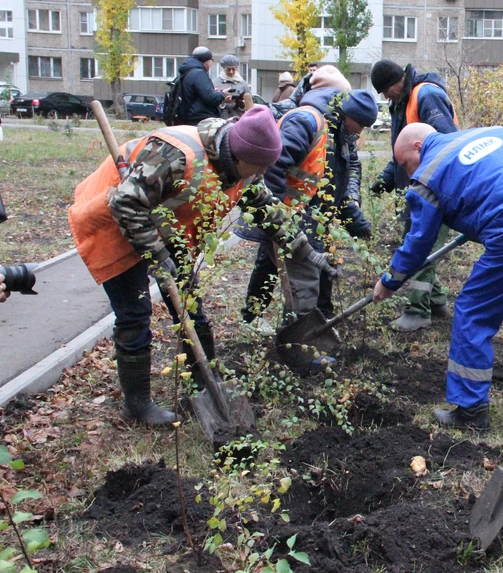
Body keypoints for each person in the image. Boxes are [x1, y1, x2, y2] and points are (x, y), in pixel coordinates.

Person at [69, 107, 332, 427]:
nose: (263, 173)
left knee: (191, 308)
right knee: (135, 315)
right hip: (115, 221)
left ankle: (204, 384)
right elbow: (125, 202)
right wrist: (155, 253)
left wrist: (305, 252)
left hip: (165, 229)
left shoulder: (245, 168)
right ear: (240, 156)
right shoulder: (176, 156)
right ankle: (137, 406)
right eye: (260, 166)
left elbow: (268, 211)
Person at [372, 123, 503, 431]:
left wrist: (390, 280)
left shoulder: (428, 174)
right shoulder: (496, 132)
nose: (407, 173)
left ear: (418, 147)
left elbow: (418, 241)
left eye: (405, 164)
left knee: (473, 310)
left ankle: (470, 411)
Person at [241, 81, 378, 342]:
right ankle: (299, 342)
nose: (359, 132)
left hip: (311, 214)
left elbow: (345, 175)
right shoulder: (306, 122)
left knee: (279, 264)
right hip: (287, 214)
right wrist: (277, 219)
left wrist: (352, 216)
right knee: (304, 276)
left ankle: (285, 322)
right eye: (359, 125)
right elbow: (272, 168)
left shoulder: (340, 134)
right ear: (348, 115)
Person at [370, 59, 459, 333]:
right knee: (420, 244)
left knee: (422, 245)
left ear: (396, 81)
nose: (385, 97)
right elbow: (405, 149)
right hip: (417, 187)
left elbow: (447, 144)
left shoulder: (426, 95)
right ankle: (436, 301)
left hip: (435, 189)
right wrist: (388, 177)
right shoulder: (402, 101)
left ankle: (417, 310)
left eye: (385, 90)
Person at [179, 46, 229, 126]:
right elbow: (211, 98)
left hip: (189, 117)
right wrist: (223, 94)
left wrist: (213, 91)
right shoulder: (199, 73)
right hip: (200, 120)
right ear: (206, 60)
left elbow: (198, 93)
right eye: (211, 60)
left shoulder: (188, 71)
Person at [212, 54, 251, 119]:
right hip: (221, 119)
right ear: (224, 68)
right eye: (228, 69)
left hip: (238, 119)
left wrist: (241, 104)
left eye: (233, 69)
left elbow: (250, 103)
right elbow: (211, 102)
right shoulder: (215, 83)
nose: (231, 72)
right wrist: (222, 101)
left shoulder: (242, 83)